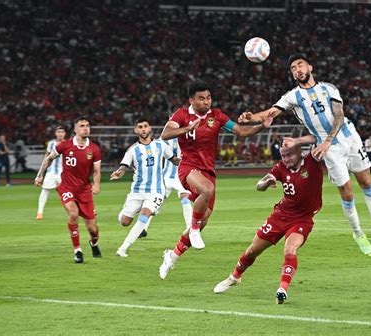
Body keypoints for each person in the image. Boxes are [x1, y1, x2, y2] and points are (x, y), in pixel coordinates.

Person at [238, 53, 371, 256]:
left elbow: (339, 115)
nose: (297, 70)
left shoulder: (329, 88)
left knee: (367, 183)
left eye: (300, 65)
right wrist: (251, 117)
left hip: (349, 138)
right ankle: (358, 233)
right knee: (347, 191)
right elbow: (271, 113)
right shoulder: (292, 97)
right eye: (293, 68)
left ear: (310, 67)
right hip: (331, 150)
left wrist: (326, 140)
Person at [158, 80, 273, 279]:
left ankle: (172, 255)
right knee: (207, 191)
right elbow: (165, 133)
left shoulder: (216, 116)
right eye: (201, 98)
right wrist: (186, 129)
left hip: (208, 170)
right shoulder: (182, 115)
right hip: (188, 167)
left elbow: (242, 131)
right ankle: (193, 230)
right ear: (191, 100)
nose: (206, 102)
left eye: (208, 97)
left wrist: (262, 125)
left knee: (204, 220)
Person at [214, 145, 323, 304]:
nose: (285, 160)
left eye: (289, 155)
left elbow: (318, 137)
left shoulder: (311, 163)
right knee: (252, 251)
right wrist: (266, 183)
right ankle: (234, 277)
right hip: (279, 216)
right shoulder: (280, 167)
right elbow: (259, 185)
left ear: (299, 152)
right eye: (283, 156)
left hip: (302, 219)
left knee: (290, 248)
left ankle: (282, 289)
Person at [34, 116, 102, 263]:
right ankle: (77, 251)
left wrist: (96, 185)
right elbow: (48, 159)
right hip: (67, 187)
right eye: (82, 126)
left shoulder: (94, 148)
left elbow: (97, 170)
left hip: (84, 190)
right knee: (73, 213)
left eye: (88, 125)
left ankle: (94, 242)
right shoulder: (65, 145)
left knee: (92, 229)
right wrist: (40, 175)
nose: (86, 128)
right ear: (75, 129)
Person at [110, 118, 180, 257]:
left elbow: (174, 160)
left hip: (156, 191)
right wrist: (119, 172)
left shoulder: (161, 145)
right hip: (137, 191)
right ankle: (128, 210)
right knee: (125, 222)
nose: (143, 129)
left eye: (145, 126)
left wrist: (191, 164)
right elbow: (124, 166)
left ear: (150, 129)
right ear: (136, 130)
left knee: (145, 214)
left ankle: (123, 248)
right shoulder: (133, 150)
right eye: (140, 127)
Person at [36, 126, 66, 220]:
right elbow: (46, 158)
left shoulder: (68, 143)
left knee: (68, 192)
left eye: (62, 131)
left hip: (64, 172)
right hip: (51, 171)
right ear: (55, 133)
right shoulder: (51, 143)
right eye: (58, 131)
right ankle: (40, 213)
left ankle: (75, 212)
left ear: (65, 133)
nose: (60, 133)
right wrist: (40, 175)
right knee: (45, 190)